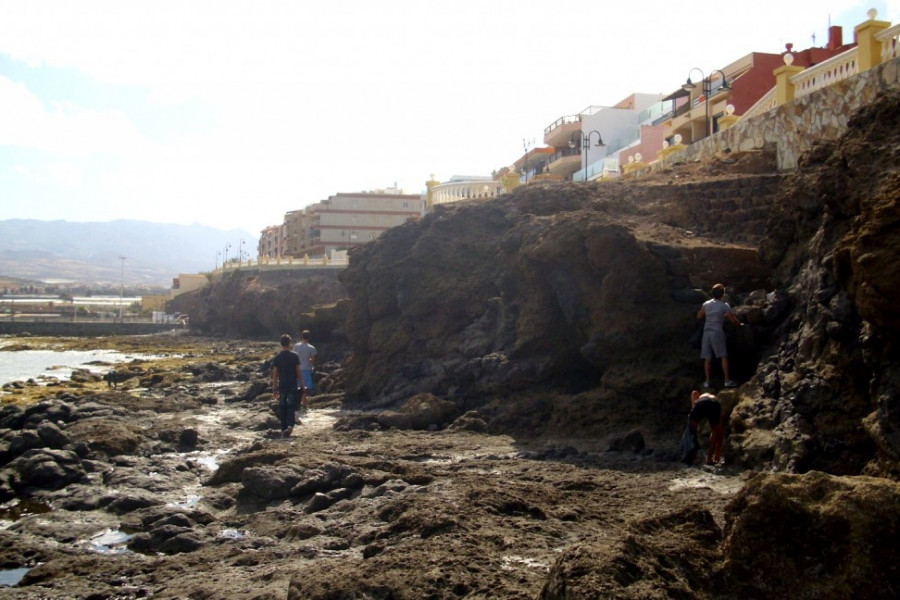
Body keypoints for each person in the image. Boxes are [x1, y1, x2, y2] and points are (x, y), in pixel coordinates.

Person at [697, 283, 742, 388]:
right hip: (717, 332)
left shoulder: (706, 304)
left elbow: (699, 316)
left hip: (706, 333)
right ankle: (726, 381)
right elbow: (733, 320)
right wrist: (740, 325)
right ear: (722, 294)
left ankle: (707, 382)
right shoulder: (724, 305)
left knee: (707, 358)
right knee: (723, 356)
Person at [272, 334, 304, 438]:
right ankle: (290, 425)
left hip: (282, 384)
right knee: (291, 406)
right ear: (289, 343)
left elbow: (275, 374)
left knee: (282, 406)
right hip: (292, 384)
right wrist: (302, 385)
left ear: (281, 344)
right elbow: (298, 371)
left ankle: (283, 427)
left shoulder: (277, 357)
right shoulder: (294, 356)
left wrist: (274, 388)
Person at [689, 390, 724, 465]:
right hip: (714, 404)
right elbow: (720, 434)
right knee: (715, 431)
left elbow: (694, 392)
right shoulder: (714, 398)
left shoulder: (699, 397)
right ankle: (709, 458)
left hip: (701, 403)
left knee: (692, 431)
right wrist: (718, 454)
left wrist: (693, 408)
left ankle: (694, 457)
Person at [292, 330, 317, 409]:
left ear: (301, 336)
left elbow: (293, 357)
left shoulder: (296, 346)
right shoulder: (311, 348)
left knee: (296, 386)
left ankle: (296, 403)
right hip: (306, 369)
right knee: (304, 388)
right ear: (309, 337)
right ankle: (303, 404)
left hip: (296, 369)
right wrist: (308, 360)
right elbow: (312, 360)